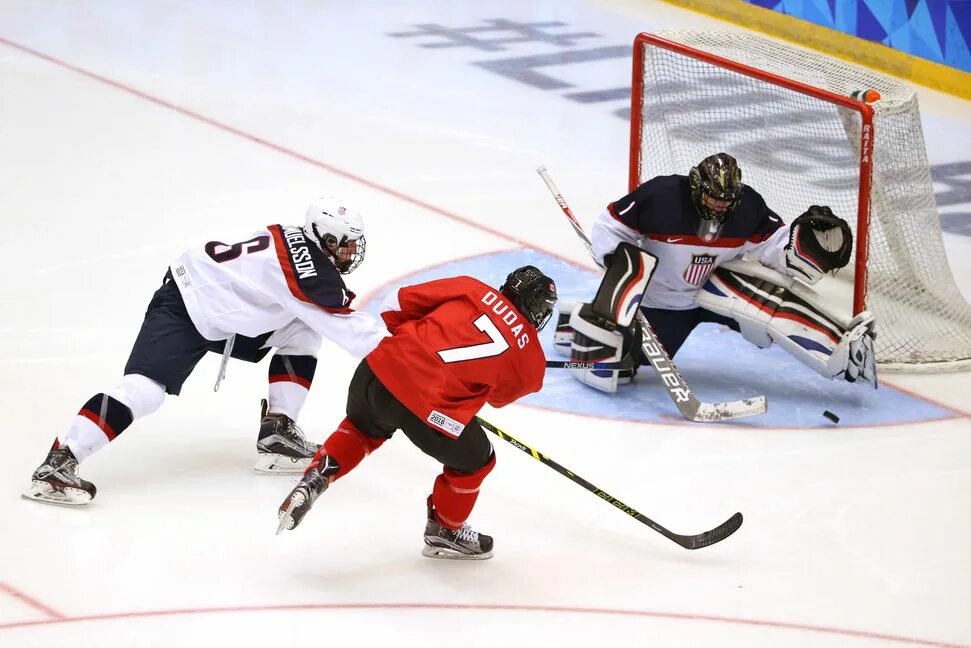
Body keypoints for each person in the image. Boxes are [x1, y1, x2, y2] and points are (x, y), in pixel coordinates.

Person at [24, 196, 389, 506]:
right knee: (144, 392)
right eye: (343, 244)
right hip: (185, 305)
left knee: (304, 328)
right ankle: (58, 462)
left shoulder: (297, 245)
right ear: (322, 239)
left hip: (226, 311)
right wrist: (404, 354)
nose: (349, 253)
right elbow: (348, 328)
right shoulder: (306, 270)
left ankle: (277, 433)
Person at [275, 265, 557, 560]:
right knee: (477, 461)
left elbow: (393, 305)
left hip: (378, 370)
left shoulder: (470, 287)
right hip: (430, 411)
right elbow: (500, 398)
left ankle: (315, 478)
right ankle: (446, 531)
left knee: (362, 429)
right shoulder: (531, 358)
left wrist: (416, 351)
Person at [552, 152, 877, 393]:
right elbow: (612, 225)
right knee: (628, 366)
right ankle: (578, 322)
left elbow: (774, 247)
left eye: (727, 200)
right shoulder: (661, 196)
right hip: (662, 302)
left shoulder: (749, 206)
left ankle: (844, 349)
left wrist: (806, 245)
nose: (720, 206)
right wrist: (617, 262)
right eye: (713, 197)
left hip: (719, 288)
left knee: (777, 306)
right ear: (696, 187)